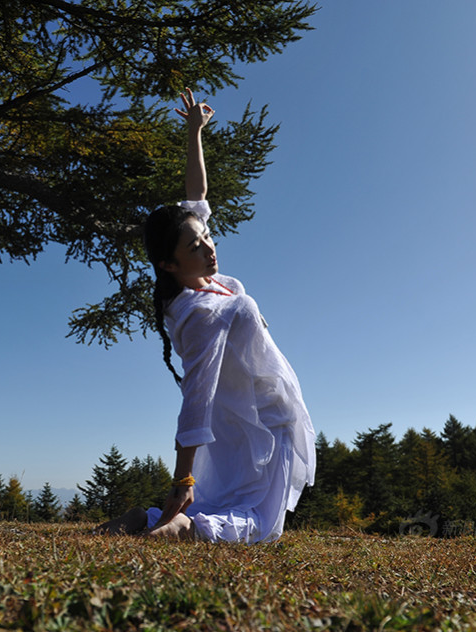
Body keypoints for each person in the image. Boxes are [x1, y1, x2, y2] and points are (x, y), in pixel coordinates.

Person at [98, 88, 316, 543]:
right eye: (195, 246)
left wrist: (194, 131)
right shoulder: (199, 313)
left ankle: (148, 515)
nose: (209, 246)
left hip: (243, 418)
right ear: (168, 265)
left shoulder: (199, 282)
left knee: (234, 501)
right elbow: (194, 400)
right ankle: (182, 525)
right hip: (264, 420)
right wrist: (183, 480)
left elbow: (197, 196)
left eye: (207, 238)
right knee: (262, 527)